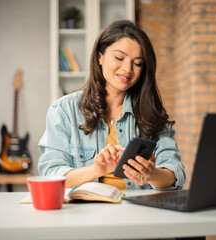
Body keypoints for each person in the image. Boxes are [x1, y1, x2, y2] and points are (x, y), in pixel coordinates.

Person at [38, 20, 186, 190]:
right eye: (119, 58)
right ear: (100, 57)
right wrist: (95, 170)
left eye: (137, 63)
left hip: (140, 212)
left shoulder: (151, 111)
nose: (127, 69)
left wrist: (152, 174)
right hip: (85, 213)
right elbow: (51, 174)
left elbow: (175, 172)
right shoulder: (64, 110)